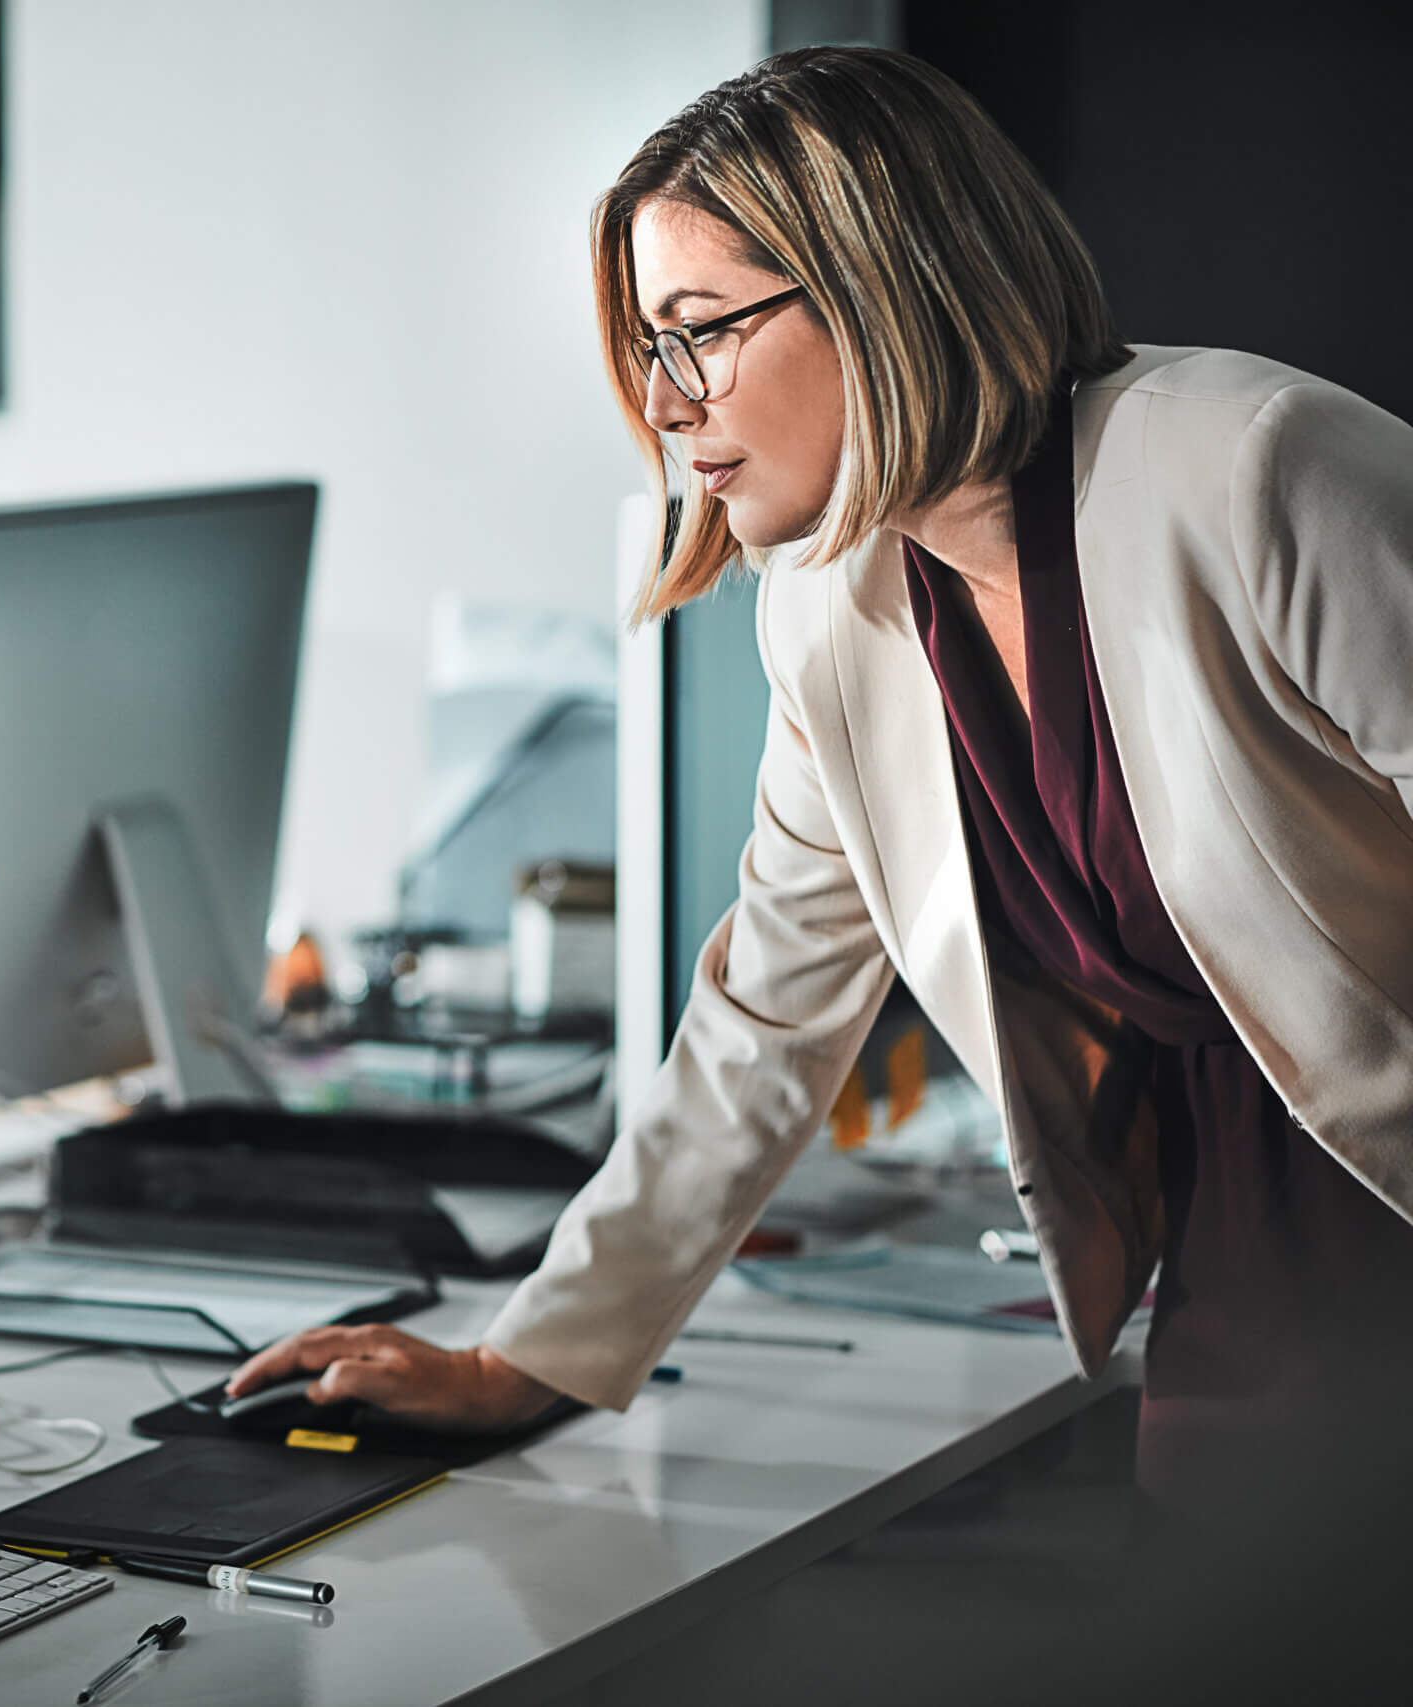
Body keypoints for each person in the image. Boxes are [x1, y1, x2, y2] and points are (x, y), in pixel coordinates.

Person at [229, 43, 1413, 1685]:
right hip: (1254, 1280)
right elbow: (765, 1021)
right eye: (649, 349)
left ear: (879, 284)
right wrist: (534, 1359)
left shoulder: (1258, 468)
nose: (663, 401)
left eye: (702, 332)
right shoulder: (838, 607)